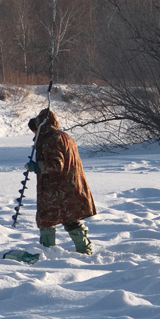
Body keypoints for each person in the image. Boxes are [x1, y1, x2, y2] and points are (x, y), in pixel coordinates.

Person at [26, 108, 96, 254]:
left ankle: (47, 251)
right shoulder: (66, 137)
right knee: (70, 218)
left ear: (42, 126)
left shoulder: (51, 139)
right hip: (71, 185)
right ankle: (85, 250)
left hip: (56, 189)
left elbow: (56, 164)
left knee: (46, 220)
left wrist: (36, 167)